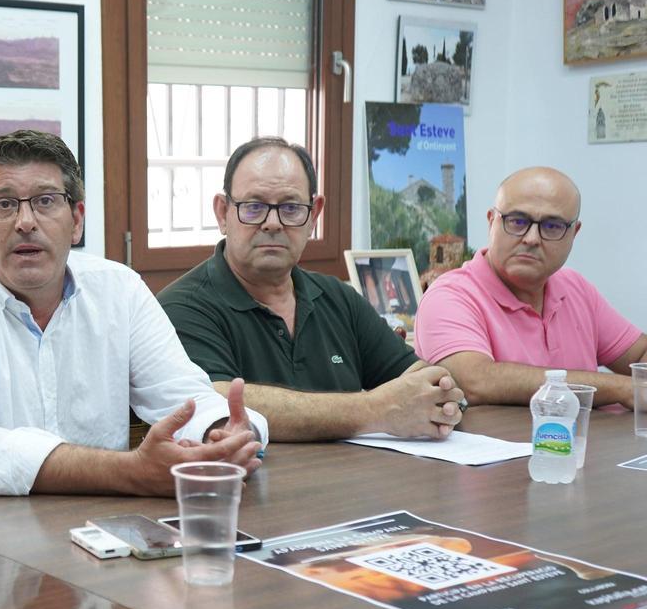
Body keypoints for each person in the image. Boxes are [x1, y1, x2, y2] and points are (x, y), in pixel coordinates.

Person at [0, 130, 266, 496]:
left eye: (46, 201)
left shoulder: (119, 290)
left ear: (77, 221)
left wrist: (222, 432)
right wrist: (131, 472)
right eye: (4, 204)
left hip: (101, 529)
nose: (25, 221)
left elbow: (185, 397)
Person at [158, 136, 463, 441]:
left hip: (357, 483)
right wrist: (377, 409)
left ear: (314, 215)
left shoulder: (338, 298)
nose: (273, 223)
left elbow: (422, 380)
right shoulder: (182, 307)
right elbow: (219, 403)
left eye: (291, 208)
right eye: (253, 207)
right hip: (251, 485)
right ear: (223, 213)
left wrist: (441, 398)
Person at [415, 166, 646, 407]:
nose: (532, 238)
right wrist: (624, 388)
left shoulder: (576, 288)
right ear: (491, 221)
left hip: (589, 444)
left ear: (574, 233)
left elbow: (640, 354)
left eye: (552, 226)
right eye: (517, 221)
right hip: (501, 444)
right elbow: (475, 382)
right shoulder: (450, 296)